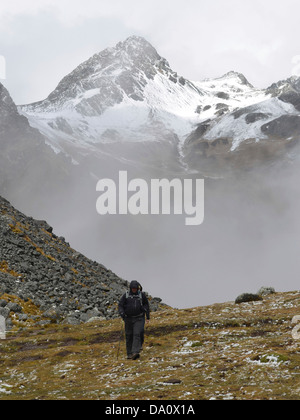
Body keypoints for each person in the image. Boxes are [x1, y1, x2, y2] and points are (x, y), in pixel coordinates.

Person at [118, 280, 150, 360]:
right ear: (130, 288)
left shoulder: (141, 295)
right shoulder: (126, 295)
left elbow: (146, 304)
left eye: (135, 288)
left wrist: (145, 310)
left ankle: (135, 352)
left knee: (137, 333)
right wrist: (122, 312)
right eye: (133, 288)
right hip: (128, 318)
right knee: (129, 335)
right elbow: (120, 305)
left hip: (138, 318)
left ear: (138, 288)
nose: (134, 290)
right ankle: (129, 354)